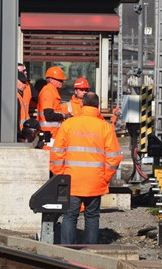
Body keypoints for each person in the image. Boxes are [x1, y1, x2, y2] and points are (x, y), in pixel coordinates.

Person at [49, 92, 123, 245]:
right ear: (97, 106)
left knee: (69, 216)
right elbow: (114, 157)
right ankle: (90, 254)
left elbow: (56, 153)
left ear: (82, 105)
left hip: (71, 180)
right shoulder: (105, 127)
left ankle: (68, 252)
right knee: (92, 217)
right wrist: (104, 177)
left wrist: (61, 175)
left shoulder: (69, 124)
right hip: (95, 181)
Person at [37, 66, 71, 145]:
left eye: (62, 80)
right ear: (51, 80)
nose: (61, 82)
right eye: (59, 80)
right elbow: (48, 115)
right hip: (49, 135)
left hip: (52, 134)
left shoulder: (52, 91)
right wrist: (64, 115)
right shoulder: (48, 92)